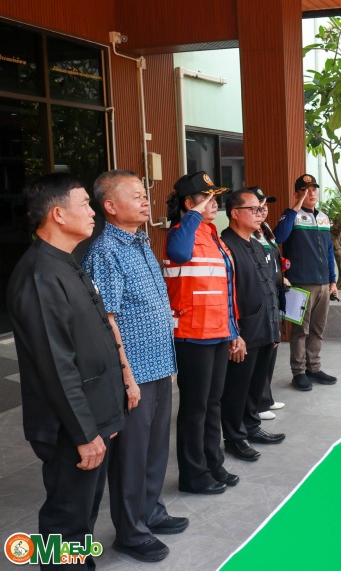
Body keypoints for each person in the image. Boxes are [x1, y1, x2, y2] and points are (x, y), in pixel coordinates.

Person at [7, 173, 126, 570]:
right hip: (70, 429)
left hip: (92, 417)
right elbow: (56, 368)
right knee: (66, 521)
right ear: (58, 214)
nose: (93, 212)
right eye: (85, 204)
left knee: (82, 515)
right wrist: (85, 433)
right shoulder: (39, 274)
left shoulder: (65, 262)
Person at [81, 170, 187, 563]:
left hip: (158, 365)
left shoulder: (140, 241)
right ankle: (131, 531)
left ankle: (151, 511)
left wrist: (169, 361)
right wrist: (125, 376)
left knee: (156, 449)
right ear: (110, 206)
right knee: (131, 457)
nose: (146, 201)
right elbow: (106, 319)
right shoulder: (105, 252)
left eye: (145, 194)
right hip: (134, 374)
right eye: (137, 195)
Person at [163, 171, 244, 495]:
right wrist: (193, 217)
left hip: (218, 331)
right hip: (192, 334)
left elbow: (225, 289)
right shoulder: (180, 233)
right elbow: (180, 255)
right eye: (207, 198)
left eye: (216, 198)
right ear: (189, 203)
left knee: (213, 404)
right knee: (195, 408)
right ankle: (193, 475)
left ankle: (213, 464)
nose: (215, 204)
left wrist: (233, 330)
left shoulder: (212, 235)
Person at [220, 189, 286, 461]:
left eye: (261, 209)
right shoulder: (225, 246)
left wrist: (274, 328)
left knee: (256, 383)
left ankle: (251, 426)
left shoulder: (258, 245)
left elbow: (269, 287)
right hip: (243, 330)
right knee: (237, 388)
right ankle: (234, 437)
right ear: (235, 213)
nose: (260, 214)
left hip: (265, 325)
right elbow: (226, 294)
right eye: (254, 209)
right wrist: (234, 333)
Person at [275, 173, 338, 391]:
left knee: (317, 329)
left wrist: (332, 280)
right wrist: (295, 207)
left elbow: (329, 251)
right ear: (297, 194)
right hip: (301, 283)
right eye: (306, 190)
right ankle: (299, 372)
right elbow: (279, 237)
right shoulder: (290, 216)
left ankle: (314, 367)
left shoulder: (323, 218)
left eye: (314, 189)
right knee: (300, 331)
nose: (311, 193)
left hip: (323, 284)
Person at [246, 186, 286, 419]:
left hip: (273, 296)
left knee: (271, 349)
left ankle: (265, 397)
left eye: (265, 205)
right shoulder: (248, 234)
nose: (262, 210)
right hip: (260, 301)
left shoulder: (265, 230)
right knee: (260, 354)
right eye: (257, 206)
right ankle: (258, 404)